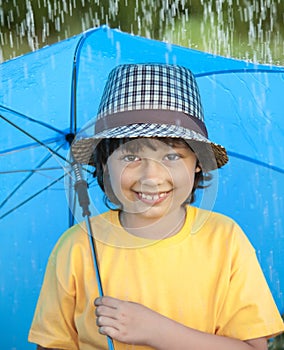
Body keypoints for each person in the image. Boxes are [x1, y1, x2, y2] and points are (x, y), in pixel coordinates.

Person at [28, 63, 284, 350]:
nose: (151, 177)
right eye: (130, 157)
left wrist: (156, 331)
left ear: (198, 163)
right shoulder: (78, 246)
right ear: (104, 164)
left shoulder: (224, 239)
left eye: (172, 156)